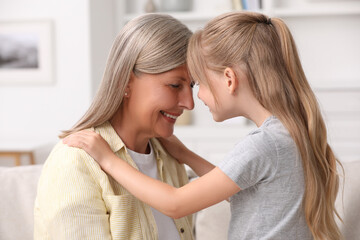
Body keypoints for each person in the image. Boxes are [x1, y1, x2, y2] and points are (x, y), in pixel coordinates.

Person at [63, 11, 343, 240]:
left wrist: (108, 159)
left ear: (229, 79)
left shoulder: (262, 144)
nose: (195, 99)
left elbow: (175, 204)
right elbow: (240, 188)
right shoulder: (288, 135)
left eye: (200, 84)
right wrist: (184, 154)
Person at [34, 13, 198, 240]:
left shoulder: (170, 159)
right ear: (127, 80)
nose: (189, 103)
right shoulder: (75, 162)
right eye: (174, 85)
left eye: (191, 85)